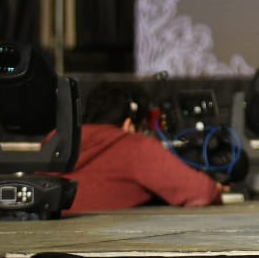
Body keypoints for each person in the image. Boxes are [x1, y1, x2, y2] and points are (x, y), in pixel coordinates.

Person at [60, 82, 225, 215]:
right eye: (144, 128)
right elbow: (202, 192)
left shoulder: (56, 143)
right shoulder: (133, 146)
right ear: (129, 125)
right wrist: (215, 187)